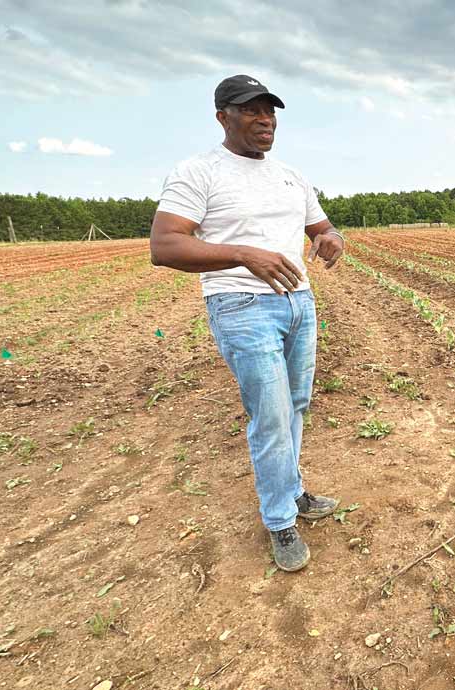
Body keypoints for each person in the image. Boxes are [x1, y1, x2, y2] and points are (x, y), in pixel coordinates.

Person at [150, 74, 346, 573]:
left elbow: (321, 225)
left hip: (299, 302)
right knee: (272, 414)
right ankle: (280, 520)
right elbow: (165, 246)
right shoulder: (198, 172)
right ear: (223, 117)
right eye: (251, 111)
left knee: (296, 405)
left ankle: (293, 490)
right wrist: (242, 255)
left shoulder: (290, 175)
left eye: (270, 111)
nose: (265, 120)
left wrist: (331, 239)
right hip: (241, 305)